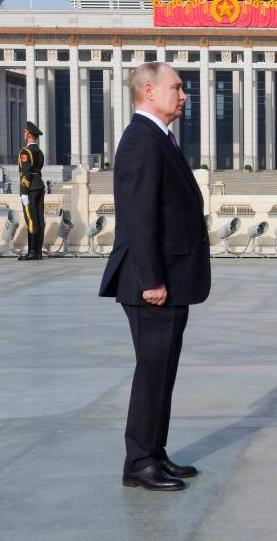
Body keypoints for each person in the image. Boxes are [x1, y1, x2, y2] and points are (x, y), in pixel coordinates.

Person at [98, 61, 211, 491]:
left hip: (170, 277)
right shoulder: (142, 141)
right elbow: (139, 216)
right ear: (148, 90)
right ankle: (138, 461)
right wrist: (150, 280)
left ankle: (155, 453)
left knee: (162, 371)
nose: (183, 95)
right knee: (151, 372)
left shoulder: (158, 137)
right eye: (177, 87)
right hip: (152, 283)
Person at [17, 121, 45, 261]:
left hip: (31, 189)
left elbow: (26, 172)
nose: (23, 134)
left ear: (28, 134)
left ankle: (32, 252)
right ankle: (38, 252)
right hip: (39, 186)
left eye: (24, 132)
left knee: (31, 220)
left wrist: (23, 192)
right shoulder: (39, 151)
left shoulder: (26, 152)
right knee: (40, 219)